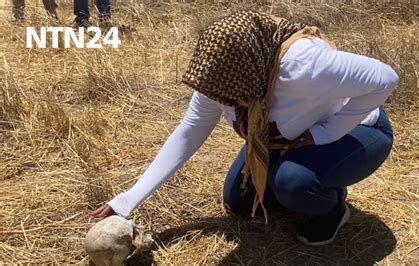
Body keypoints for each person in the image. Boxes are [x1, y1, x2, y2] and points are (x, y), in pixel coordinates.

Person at [92, 10, 399, 246]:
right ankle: (302, 180)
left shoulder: (306, 66)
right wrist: (127, 200)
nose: (220, 100)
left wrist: (324, 133)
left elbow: (386, 78)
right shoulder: (220, 76)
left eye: (228, 95)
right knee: (238, 202)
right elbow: (188, 132)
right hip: (288, 141)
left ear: (248, 71)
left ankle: (331, 207)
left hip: (360, 131)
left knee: (293, 182)